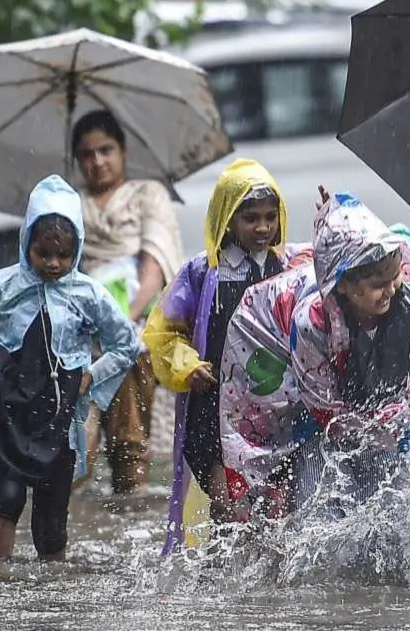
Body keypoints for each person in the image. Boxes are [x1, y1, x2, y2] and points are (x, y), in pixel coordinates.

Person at [0, 175, 138, 561]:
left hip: (60, 419)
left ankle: (53, 597)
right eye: (43, 253)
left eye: (63, 255)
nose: (53, 264)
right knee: (7, 499)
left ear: (77, 249)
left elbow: (126, 344)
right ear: (26, 244)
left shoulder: (89, 294)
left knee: (51, 521)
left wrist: (91, 377)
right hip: (7, 414)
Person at [143, 159, 313, 552]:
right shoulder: (202, 275)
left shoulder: (287, 269)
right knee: (228, 510)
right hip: (213, 411)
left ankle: (259, 597)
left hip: (274, 414)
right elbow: (162, 334)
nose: (263, 228)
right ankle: (222, 588)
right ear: (227, 218)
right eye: (251, 218)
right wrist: (187, 366)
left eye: (271, 217)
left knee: (276, 512)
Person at [290, 192, 410, 511]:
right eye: (379, 284)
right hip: (319, 430)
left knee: (394, 521)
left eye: (395, 277)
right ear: (343, 285)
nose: (391, 290)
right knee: (320, 516)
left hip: (392, 417)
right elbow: (332, 421)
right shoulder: (312, 326)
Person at [72, 109, 184, 495]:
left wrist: (122, 321)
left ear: (123, 151)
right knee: (73, 452)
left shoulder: (146, 195)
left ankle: (129, 485)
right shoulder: (70, 207)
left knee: (126, 360)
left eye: (106, 150)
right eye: (87, 154)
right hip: (81, 330)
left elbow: (157, 265)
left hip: (138, 324)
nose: (97, 161)